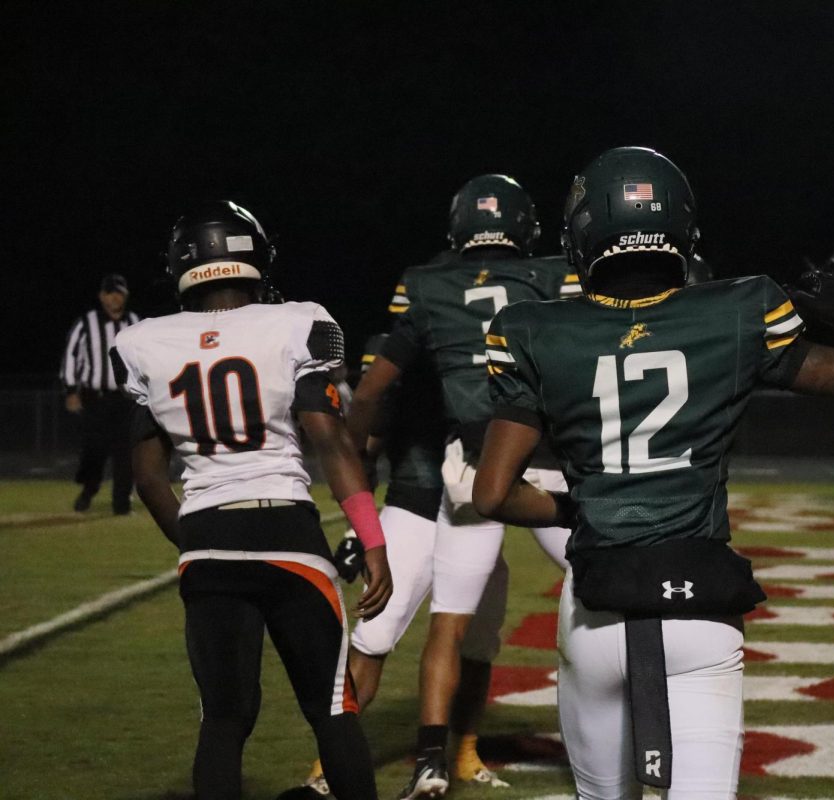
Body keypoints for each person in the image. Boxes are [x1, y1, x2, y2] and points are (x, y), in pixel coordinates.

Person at [472, 147, 834, 800]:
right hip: (701, 606)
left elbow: (493, 493)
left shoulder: (536, 329)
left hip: (596, 608)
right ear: (681, 228)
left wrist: (576, 509)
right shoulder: (738, 308)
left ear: (582, 234)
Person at [111, 200, 393, 800]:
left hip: (208, 536)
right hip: (288, 533)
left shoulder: (143, 342)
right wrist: (371, 538)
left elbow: (149, 476)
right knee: (333, 710)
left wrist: (195, 540)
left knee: (224, 719)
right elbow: (331, 444)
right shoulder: (295, 322)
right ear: (253, 257)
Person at [346, 175, 575, 800]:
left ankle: (429, 760)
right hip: (546, 460)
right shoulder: (558, 274)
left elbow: (376, 388)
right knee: (610, 588)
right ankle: (645, 742)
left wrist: (356, 485)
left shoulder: (422, 286)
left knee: (443, 622)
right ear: (526, 226)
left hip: (463, 471)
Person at [60, 273, 141, 513]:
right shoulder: (86, 323)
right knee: (94, 450)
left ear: (125, 296)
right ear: (102, 296)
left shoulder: (135, 321)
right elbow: (71, 357)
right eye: (110, 293)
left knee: (126, 454)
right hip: (95, 398)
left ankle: (121, 503)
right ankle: (89, 489)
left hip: (126, 399)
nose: (115, 298)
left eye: (119, 293)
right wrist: (71, 390)